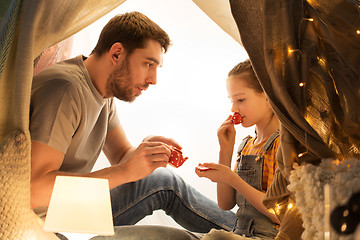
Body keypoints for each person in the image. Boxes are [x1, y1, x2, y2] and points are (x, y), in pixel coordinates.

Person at [30, 11, 237, 239]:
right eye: (148, 64)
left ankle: (249, 232)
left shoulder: (103, 93)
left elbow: (121, 156)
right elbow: (34, 191)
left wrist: (144, 151)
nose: (153, 79)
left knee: (163, 181)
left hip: (65, 206)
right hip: (44, 216)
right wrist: (124, 171)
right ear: (117, 53)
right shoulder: (65, 90)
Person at [196, 60, 280, 239]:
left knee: (216, 238)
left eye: (240, 100)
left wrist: (232, 178)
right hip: (240, 233)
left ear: (267, 95)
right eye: (232, 101)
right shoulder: (247, 145)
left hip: (270, 236)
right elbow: (225, 204)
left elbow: (280, 214)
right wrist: (225, 151)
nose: (234, 109)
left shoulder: (282, 144)